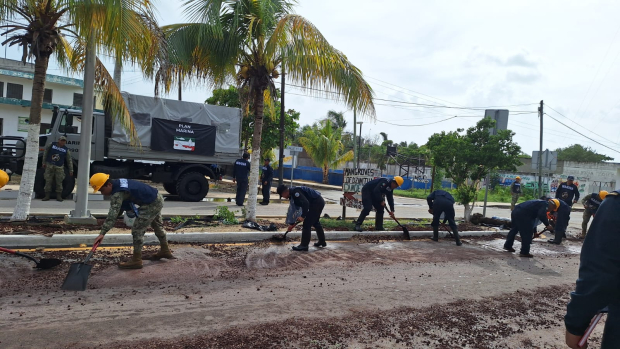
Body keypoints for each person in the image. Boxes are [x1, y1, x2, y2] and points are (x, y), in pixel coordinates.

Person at [564, 191, 619, 349]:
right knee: (585, 222)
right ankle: (583, 232)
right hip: (590, 210)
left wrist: (575, 325)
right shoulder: (595, 198)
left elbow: (600, 273)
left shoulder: (616, 204)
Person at [90, 173, 174, 269]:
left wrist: (102, 233)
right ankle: (165, 250)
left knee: (137, 231)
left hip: (150, 203)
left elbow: (113, 214)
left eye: (102, 190)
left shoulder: (117, 193)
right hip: (156, 197)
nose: (102, 193)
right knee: (157, 226)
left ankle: (136, 260)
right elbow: (118, 211)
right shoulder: (118, 183)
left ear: (109, 184)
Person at [277, 185, 326, 251]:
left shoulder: (295, 193)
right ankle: (322, 241)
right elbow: (295, 210)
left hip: (316, 203)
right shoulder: (292, 194)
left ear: (284, 192)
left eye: (282, 195)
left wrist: (303, 216)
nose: (283, 197)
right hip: (316, 203)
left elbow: (305, 203)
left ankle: (304, 245)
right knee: (315, 222)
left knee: (307, 224)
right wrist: (292, 224)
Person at [41, 135, 73, 201]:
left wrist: (71, 170)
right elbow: (45, 153)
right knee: (48, 180)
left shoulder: (66, 150)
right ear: (58, 140)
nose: (62, 142)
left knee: (59, 181)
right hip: (49, 165)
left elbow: (69, 160)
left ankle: (59, 196)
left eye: (64, 141)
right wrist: (43, 162)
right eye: (61, 140)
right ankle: (47, 196)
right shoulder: (52, 145)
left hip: (59, 167)